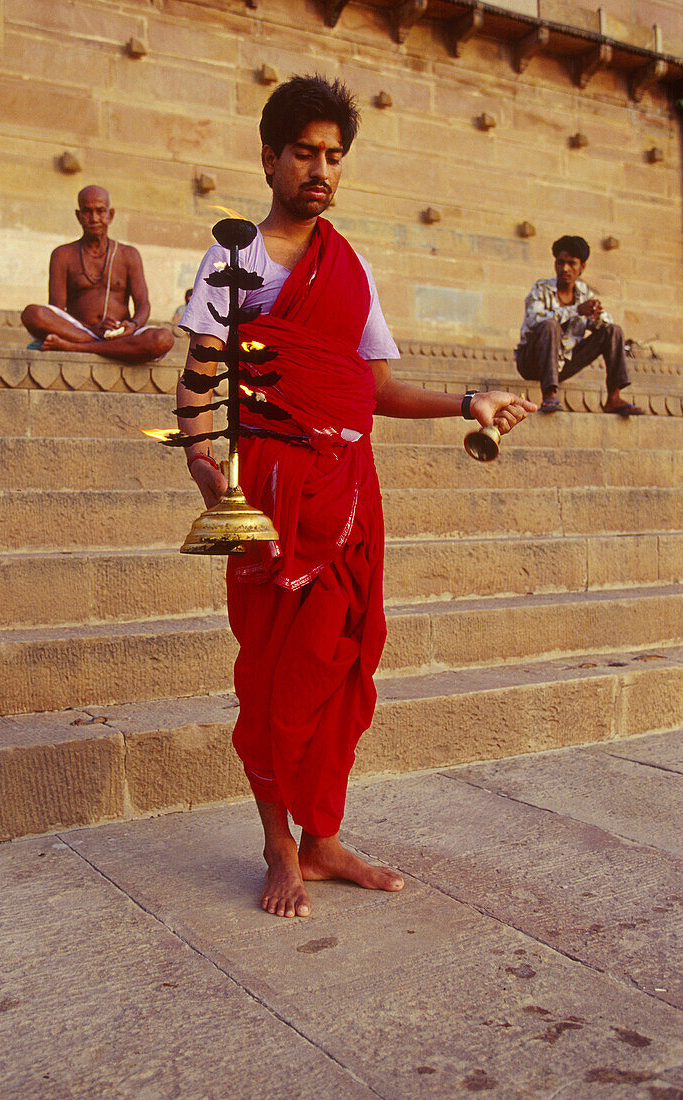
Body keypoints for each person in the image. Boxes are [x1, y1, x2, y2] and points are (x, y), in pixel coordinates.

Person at [179, 75, 536, 919]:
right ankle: (277, 846)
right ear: (269, 158)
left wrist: (469, 400)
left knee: (342, 663)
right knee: (270, 674)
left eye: (334, 155)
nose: (320, 169)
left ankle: (324, 838)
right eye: (304, 152)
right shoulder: (237, 257)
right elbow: (200, 372)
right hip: (269, 493)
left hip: (349, 492)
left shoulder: (350, 266)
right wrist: (204, 463)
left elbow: (376, 388)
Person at [21, 185, 174, 364]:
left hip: (120, 333)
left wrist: (131, 326)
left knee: (163, 339)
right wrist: (92, 329)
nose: (94, 218)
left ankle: (77, 347)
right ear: (78, 216)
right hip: (80, 330)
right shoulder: (63, 254)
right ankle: (112, 348)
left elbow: (143, 305)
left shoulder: (128, 254)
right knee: (32, 313)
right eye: (87, 211)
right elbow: (56, 311)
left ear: (111, 215)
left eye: (100, 211)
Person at [515, 235, 642, 415]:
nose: (564, 268)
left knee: (613, 330)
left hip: (564, 364)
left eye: (571, 263)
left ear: (581, 267)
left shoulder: (584, 294)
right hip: (530, 362)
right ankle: (549, 395)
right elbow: (535, 320)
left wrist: (596, 317)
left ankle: (614, 397)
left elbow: (605, 324)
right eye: (560, 262)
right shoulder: (541, 288)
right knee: (550, 325)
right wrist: (577, 310)